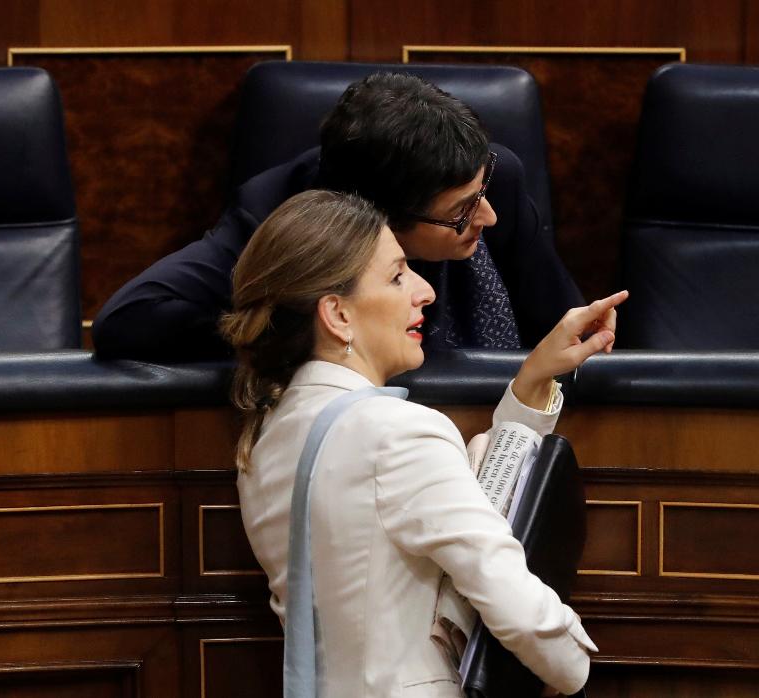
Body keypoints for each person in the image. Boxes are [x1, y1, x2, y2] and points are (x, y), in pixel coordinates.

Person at [222, 190, 626, 696]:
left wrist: (533, 380)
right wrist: (578, 670)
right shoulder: (400, 432)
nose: (424, 292)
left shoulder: (262, 440)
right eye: (396, 276)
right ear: (338, 315)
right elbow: (515, 603)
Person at [93, 72, 584, 361]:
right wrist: (314, 330)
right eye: (460, 213)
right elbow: (126, 321)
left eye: (481, 193)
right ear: (378, 219)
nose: (490, 218)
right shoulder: (277, 219)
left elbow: (561, 323)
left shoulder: (494, 178)